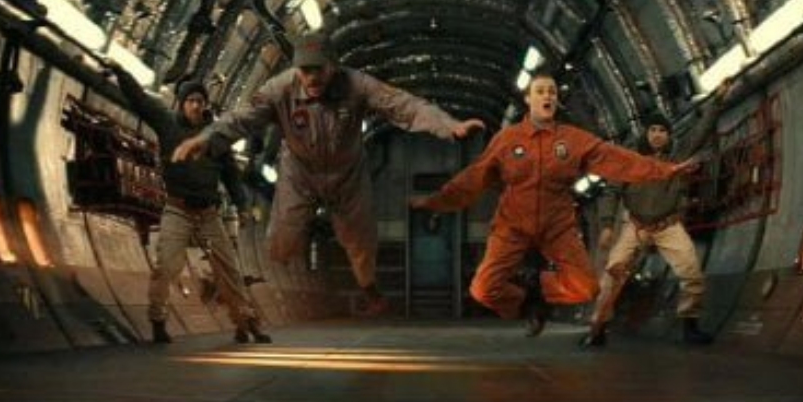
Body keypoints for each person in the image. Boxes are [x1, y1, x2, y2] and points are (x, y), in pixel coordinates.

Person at [171, 30, 485, 316]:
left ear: (333, 66)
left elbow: (405, 106)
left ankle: (369, 289)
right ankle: (246, 283)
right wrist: (205, 139)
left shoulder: (358, 85)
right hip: (299, 173)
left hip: (347, 174)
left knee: (360, 240)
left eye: (317, 69)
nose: (311, 78)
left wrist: (449, 126)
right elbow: (241, 118)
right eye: (304, 70)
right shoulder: (280, 88)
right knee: (281, 242)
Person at [409, 70, 694, 336]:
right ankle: (527, 300)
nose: (547, 96)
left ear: (556, 99)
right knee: (483, 290)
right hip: (512, 224)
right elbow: (474, 177)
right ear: (528, 99)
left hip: (557, 225)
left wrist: (666, 170)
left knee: (586, 288)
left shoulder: (572, 140)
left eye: (552, 92)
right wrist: (436, 201)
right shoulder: (507, 139)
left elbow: (616, 159)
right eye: (541, 91)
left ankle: (540, 290)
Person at [110, 64, 271, 344]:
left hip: (209, 214)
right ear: (182, 103)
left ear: (205, 104)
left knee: (230, 270)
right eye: (191, 101)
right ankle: (158, 321)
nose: (196, 106)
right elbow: (140, 99)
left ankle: (246, 323)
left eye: (200, 101)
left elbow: (231, 175)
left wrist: (243, 205)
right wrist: (120, 73)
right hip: (178, 210)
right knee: (166, 266)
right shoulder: (168, 124)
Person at [581, 78, 733, 348]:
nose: (657, 135)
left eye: (662, 130)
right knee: (612, 275)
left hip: (668, 226)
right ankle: (598, 328)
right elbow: (611, 191)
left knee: (691, 272)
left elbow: (700, 131)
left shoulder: (677, 158)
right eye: (652, 130)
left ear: (669, 136)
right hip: (635, 227)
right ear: (645, 133)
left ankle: (690, 326)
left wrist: (717, 100)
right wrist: (606, 225)